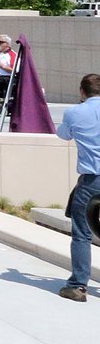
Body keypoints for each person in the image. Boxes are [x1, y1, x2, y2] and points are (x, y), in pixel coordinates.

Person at [54, 73, 100, 302]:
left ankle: (78, 285)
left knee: (82, 233)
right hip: (91, 181)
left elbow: (63, 134)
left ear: (82, 92)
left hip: (93, 180)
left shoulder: (75, 112)